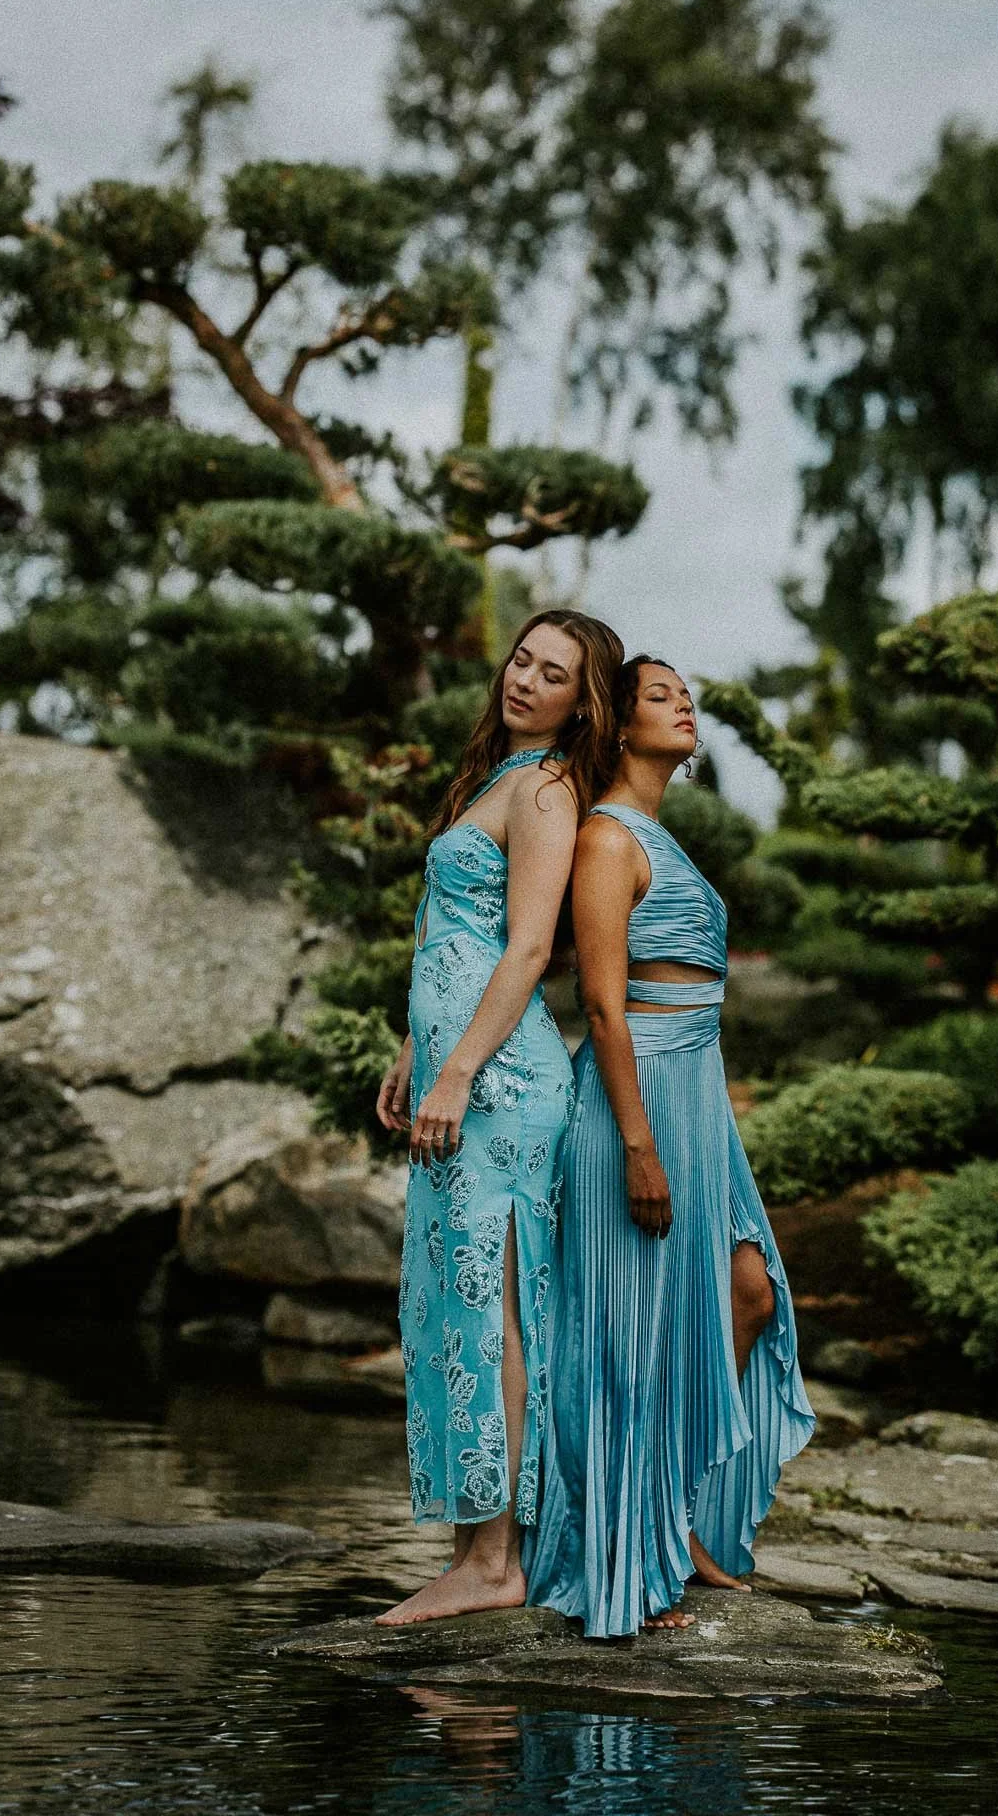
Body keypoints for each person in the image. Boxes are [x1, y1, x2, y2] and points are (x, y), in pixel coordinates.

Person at [526, 655, 816, 1636]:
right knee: (629, 1338)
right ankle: (620, 1560)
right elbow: (601, 1004)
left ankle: (675, 1523)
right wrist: (640, 1147)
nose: (683, 702)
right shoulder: (605, 840)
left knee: (745, 1294)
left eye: (685, 692)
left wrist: (705, 1128)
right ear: (615, 722)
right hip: (632, 1101)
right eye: (660, 695)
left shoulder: (657, 835)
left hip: (694, 1100)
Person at [375, 610, 624, 1627]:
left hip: (505, 1088)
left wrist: (458, 1072)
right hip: (456, 1072)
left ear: (580, 700)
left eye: (552, 672)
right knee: (448, 1305)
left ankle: (494, 1562)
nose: (524, 678)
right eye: (521, 658)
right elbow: (452, 937)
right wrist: (412, 1053)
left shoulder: (548, 789)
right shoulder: (489, 777)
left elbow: (525, 950)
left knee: (494, 1306)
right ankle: (467, 1550)